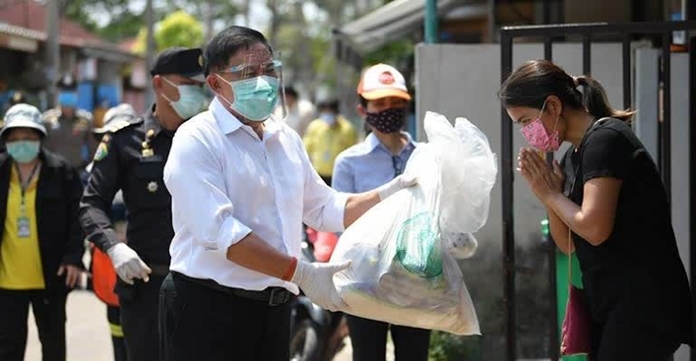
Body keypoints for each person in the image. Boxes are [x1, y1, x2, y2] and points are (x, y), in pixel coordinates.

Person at [158, 25, 416, 361]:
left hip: (273, 310)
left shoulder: (285, 138)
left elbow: (326, 208)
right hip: (209, 308)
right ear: (216, 84)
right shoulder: (197, 139)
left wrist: (390, 194)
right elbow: (225, 236)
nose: (263, 81)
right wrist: (302, 273)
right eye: (248, 73)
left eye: (269, 70)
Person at [499, 59, 693, 361]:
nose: (527, 132)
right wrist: (551, 196)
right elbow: (570, 243)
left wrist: (549, 193)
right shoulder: (573, 157)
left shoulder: (606, 140)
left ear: (552, 106)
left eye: (526, 121)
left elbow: (594, 229)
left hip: (642, 305)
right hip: (611, 304)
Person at [78, 47, 207, 361]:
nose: (197, 92)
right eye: (188, 84)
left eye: (200, 86)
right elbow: (91, 205)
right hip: (148, 285)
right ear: (160, 85)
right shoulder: (125, 141)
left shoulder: (212, 140)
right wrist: (113, 248)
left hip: (205, 285)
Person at [331, 63, 431, 361]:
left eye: (396, 102)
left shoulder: (424, 155)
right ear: (363, 110)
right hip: (364, 280)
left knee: (414, 355)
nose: (390, 109)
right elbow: (341, 222)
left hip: (416, 279)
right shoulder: (348, 162)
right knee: (368, 354)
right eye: (381, 103)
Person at [0, 103, 84, 361]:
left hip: (50, 276)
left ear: (40, 138)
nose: (21, 144)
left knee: (53, 343)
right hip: (6, 280)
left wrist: (73, 257)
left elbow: (78, 219)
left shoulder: (61, 172)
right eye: (14, 139)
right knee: (7, 347)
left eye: (28, 137)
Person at [87, 103, 137, 361]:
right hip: (110, 256)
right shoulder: (95, 170)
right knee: (117, 326)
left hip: (147, 256)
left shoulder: (150, 162)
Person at [42, 73, 95, 170]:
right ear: (58, 94)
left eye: (71, 92)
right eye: (64, 92)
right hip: (52, 172)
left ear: (77, 94)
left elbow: (93, 151)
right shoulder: (46, 119)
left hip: (76, 172)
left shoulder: (86, 120)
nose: (68, 95)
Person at [302, 99, 357, 186]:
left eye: (330, 112)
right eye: (324, 112)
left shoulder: (347, 129)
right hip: (318, 174)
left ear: (336, 112)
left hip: (340, 174)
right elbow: (306, 148)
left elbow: (353, 152)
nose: (327, 115)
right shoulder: (314, 126)